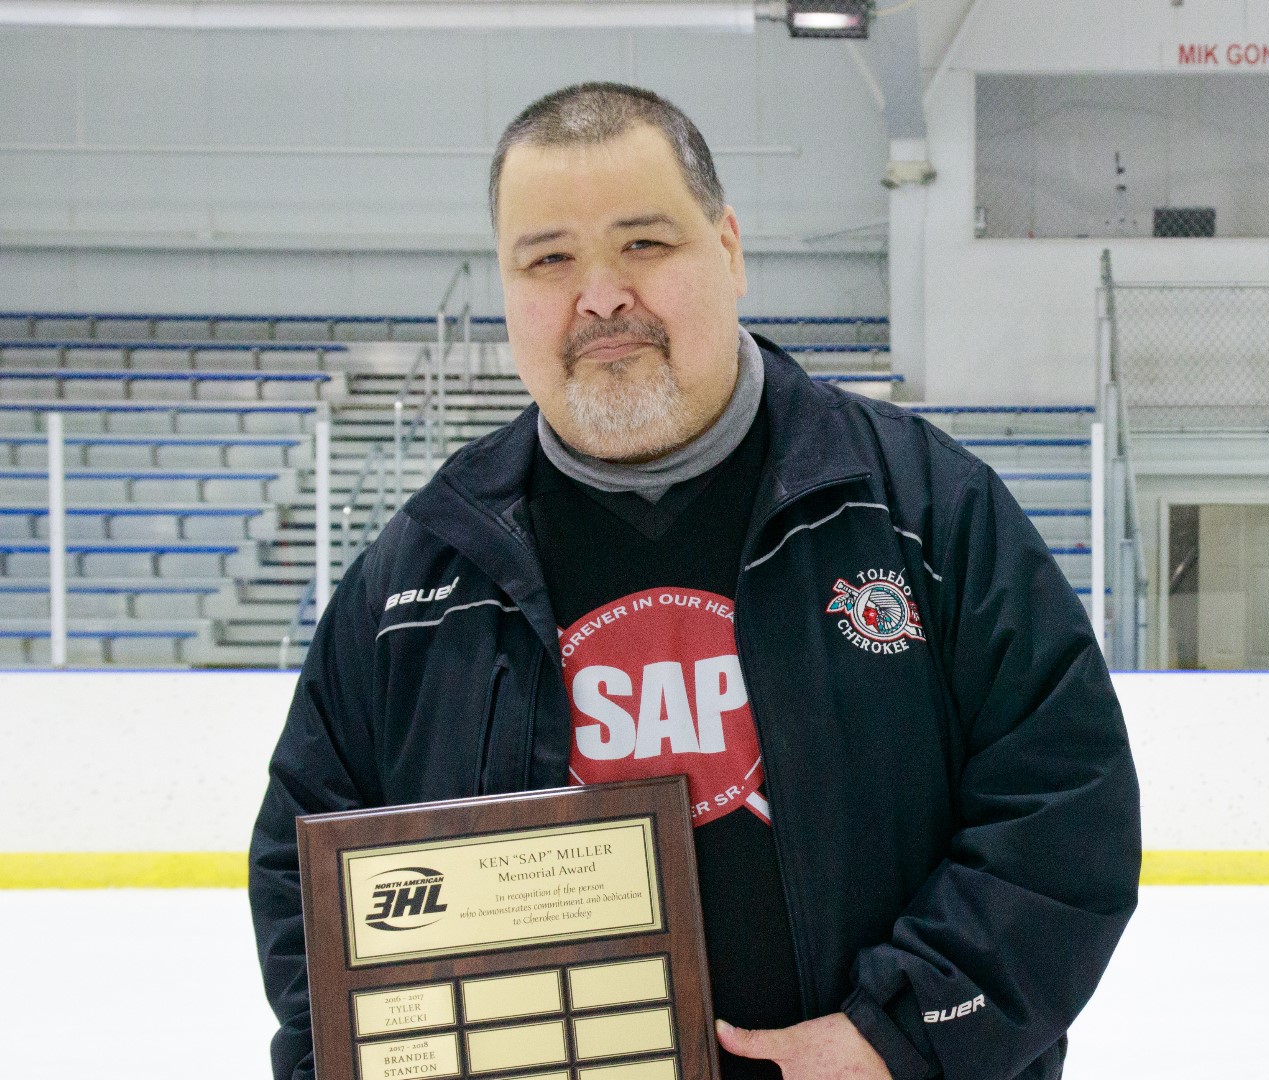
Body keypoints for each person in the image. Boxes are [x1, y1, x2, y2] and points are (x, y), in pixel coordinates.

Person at [249, 82, 1140, 1080]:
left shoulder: (926, 512)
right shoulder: (416, 584)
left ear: (729, 250)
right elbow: (307, 883)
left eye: (644, 243)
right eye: (549, 259)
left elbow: (1064, 811)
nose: (599, 296)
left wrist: (902, 1036)